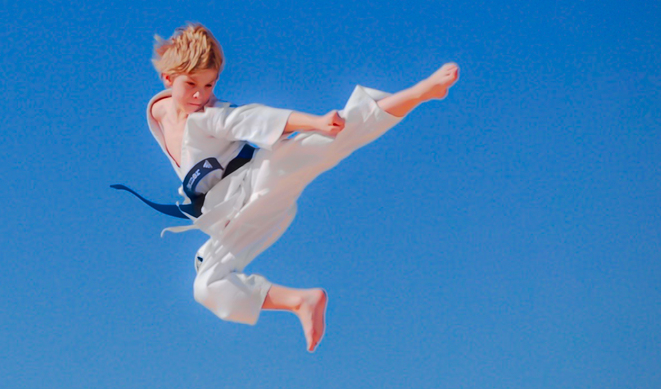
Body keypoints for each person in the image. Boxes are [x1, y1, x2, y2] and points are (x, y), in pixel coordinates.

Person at [128, 23, 458, 351]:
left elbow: (250, 118)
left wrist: (314, 122)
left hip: (261, 178)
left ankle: (421, 91)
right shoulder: (158, 110)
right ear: (168, 80)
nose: (201, 95)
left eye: (210, 85)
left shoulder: (208, 116)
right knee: (207, 286)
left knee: (326, 142)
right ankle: (302, 301)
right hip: (237, 216)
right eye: (192, 85)